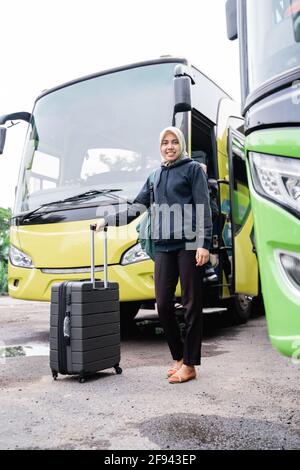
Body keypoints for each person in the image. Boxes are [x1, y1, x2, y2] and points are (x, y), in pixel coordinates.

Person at [96, 126, 212, 384]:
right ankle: (179, 358)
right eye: (164, 143)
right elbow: (137, 206)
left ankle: (190, 364)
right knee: (162, 304)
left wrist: (204, 244)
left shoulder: (192, 170)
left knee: (192, 305)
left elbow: (203, 207)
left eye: (173, 142)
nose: (169, 146)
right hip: (163, 245)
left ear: (180, 144)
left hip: (189, 244)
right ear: (160, 147)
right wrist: (108, 221)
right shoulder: (154, 176)